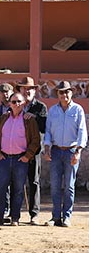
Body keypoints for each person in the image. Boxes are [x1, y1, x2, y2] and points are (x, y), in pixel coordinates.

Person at [0, 92, 40, 226]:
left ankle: (15, 218)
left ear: (23, 103)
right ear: (9, 104)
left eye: (19, 102)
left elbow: (35, 140)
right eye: (13, 102)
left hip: (20, 159)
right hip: (4, 158)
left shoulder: (29, 120)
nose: (16, 104)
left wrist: (27, 156)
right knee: (0, 188)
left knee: (18, 190)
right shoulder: (3, 118)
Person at [44, 81, 87, 227]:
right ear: (58, 94)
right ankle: (56, 216)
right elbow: (48, 131)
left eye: (67, 91)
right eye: (61, 92)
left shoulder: (78, 110)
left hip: (71, 151)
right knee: (55, 186)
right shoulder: (52, 111)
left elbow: (82, 131)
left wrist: (78, 151)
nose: (64, 95)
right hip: (56, 150)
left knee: (69, 186)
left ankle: (67, 216)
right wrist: (47, 147)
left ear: (71, 92)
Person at [16, 76, 47, 225]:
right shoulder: (17, 106)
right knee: (15, 182)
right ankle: (14, 213)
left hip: (34, 150)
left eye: (30, 89)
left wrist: (34, 117)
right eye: (24, 88)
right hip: (17, 149)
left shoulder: (40, 107)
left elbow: (44, 126)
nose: (27, 91)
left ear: (34, 91)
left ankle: (34, 214)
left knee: (33, 181)